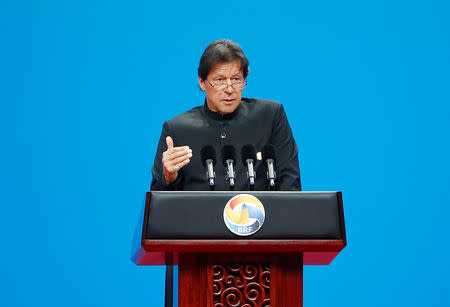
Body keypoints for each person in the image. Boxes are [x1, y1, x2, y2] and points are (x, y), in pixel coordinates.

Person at [151, 39, 301, 191]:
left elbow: (291, 186)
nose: (229, 89)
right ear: (202, 82)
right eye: (220, 80)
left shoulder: (270, 116)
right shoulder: (177, 130)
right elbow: (158, 204)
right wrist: (169, 178)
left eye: (236, 79)